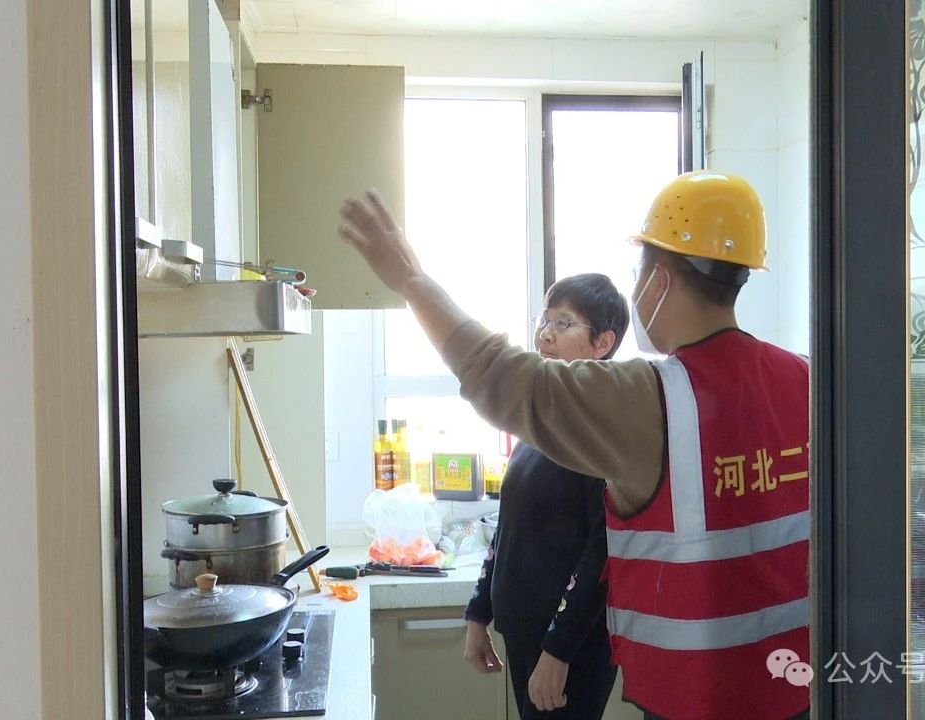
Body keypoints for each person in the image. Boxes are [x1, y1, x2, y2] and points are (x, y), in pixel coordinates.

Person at [338, 170, 810, 720]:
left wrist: (410, 280)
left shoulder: (650, 397)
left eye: (639, 271)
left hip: (696, 699)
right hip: (792, 690)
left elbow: (505, 377)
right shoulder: (805, 379)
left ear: (659, 279)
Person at [463, 273, 629, 720]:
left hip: (569, 650)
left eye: (564, 323)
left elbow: (604, 553)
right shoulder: (543, 417)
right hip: (525, 635)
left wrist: (558, 651)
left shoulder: (601, 427)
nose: (546, 334)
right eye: (545, 319)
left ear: (603, 343)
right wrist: (479, 612)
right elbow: (509, 524)